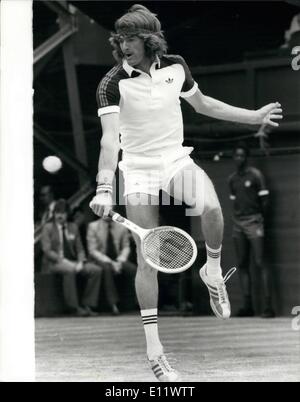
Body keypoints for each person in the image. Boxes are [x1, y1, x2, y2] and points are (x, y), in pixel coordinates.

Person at [89, 4, 283, 381]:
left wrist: (254, 116)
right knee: (150, 259)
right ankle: (155, 350)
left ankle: (211, 271)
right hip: (139, 170)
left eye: (132, 39)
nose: (124, 45)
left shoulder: (176, 66)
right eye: (121, 39)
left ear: (148, 40)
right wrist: (104, 186)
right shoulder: (111, 84)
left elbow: (204, 104)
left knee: (210, 209)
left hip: (175, 160)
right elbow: (110, 140)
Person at [228, 143, 275, 318]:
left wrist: (260, 220)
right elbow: (235, 202)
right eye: (236, 155)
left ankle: (268, 307)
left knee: (261, 261)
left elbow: (265, 201)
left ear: (246, 158)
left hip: (255, 222)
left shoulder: (255, 175)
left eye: (242, 155)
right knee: (241, 264)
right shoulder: (232, 179)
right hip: (238, 224)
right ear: (234, 158)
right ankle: (248, 306)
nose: (239, 158)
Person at [41, 199, 102, 317]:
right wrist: (63, 261)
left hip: (73, 262)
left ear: (67, 214)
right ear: (54, 214)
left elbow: (79, 249)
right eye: (57, 212)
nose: (60, 215)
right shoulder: (47, 228)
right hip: (54, 263)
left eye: (63, 213)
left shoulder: (73, 227)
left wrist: (80, 262)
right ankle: (74, 307)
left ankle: (87, 304)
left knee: (96, 270)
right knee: (70, 270)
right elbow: (47, 250)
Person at [87, 215, 137, 315]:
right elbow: (92, 250)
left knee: (132, 269)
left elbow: (126, 247)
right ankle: (113, 304)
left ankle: (132, 303)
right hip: (100, 259)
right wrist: (111, 262)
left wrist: (120, 260)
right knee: (107, 269)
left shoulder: (121, 226)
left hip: (118, 259)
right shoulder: (93, 226)